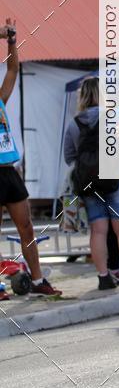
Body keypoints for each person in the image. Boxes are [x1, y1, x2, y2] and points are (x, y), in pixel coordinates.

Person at [0, 18, 61, 296]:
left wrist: (12, 42)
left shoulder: (1, 98)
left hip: (9, 170)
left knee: (26, 226)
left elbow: (13, 68)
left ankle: (37, 280)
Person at [64, 77, 119, 290]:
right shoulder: (114, 117)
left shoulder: (74, 124)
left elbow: (69, 156)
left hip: (89, 185)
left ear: (82, 96)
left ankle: (103, 277)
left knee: (98, 231)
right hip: (115, 178)